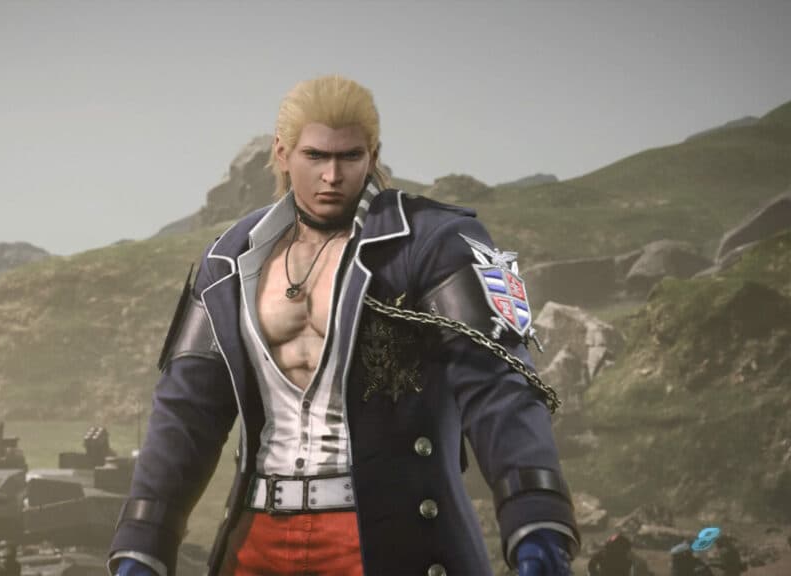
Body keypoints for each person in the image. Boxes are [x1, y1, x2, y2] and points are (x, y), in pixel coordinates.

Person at [109, 75, 580, 575]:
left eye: (349, 156)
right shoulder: (228, 258)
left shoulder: (436, 242)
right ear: (282, 153)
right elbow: (187, 410)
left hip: (388, 536)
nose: (332, 175)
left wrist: (537, 520)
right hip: (256, 534)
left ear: (372, 156)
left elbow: (498, 386)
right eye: (315, 156)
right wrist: (143, 542)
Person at [587, 533, 653, 576]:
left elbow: (591, 564)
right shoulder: (626, 554)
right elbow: (592, 564)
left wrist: (594, 573)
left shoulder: (603, 553)